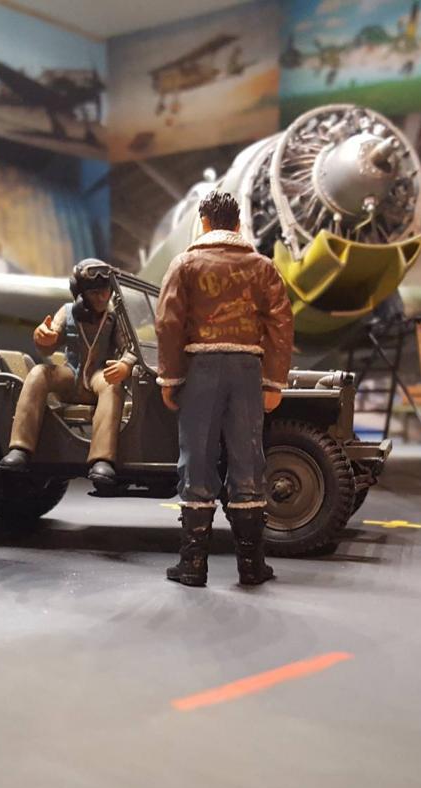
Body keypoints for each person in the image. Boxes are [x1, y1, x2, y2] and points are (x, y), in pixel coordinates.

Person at [154, 190, 294, 587]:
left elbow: (168, 324)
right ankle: (251, 565)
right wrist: (274, 381)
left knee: (197, 458)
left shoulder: (185, 265)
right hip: (247, 370)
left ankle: (193, 564)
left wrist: (170, 377)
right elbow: (281, 324)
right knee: (248, 458)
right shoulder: (262, 267)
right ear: (237, 224)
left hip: (200, 371)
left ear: (203, 222)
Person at [0, 259, 136, 488]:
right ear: (81, 294)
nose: (102, 298)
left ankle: (102, 459)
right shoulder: (67, 312)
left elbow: (130, 348)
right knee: (38, 373)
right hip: (71, 376)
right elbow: (49, 339)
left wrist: (125, 365)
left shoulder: (114, 318)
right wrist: (44, 339)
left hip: (98, 378)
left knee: (112, 387)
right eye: (95, 293)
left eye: (106, 292)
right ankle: (20, 448)